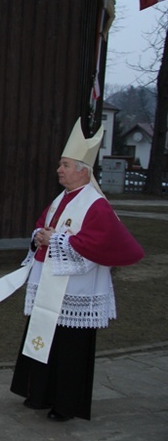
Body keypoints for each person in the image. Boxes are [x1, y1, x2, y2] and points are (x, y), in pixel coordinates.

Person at [9, 120, 143, 421]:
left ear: (83, 170)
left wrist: (54, 239)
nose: (59, 170)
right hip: (51, 285)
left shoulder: (96, 204)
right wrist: (40, 236)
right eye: (60, 165)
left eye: (65, 165)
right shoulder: (61, 199)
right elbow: (43, 227)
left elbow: (98, 243)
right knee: (45, 338)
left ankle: (66, 405)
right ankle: (39, 394)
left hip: (76, 289)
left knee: (69, 349)